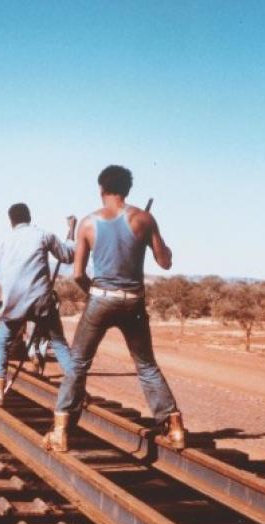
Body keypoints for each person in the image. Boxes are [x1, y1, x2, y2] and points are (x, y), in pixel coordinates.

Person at [46, 165, 185, 452]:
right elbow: (165, 262)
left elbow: (78, 274)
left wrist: (95, 295)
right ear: (127, 190)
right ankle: (174, 427)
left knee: (78, 365)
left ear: (101, 189)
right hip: (133, 301)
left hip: (100, 298)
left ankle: (60, 432)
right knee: (146, 365)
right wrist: (154, 238)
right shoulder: (144, 219)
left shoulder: (87, 223)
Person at [0, 203, 77, 406]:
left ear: (11, 221)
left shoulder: (4, 243)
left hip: (13, 303)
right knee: (59, 344)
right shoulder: (43, 235)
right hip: (40, 301)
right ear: (29, 217)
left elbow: (4, 268)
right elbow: (68, 255)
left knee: (0, 343)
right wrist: (71, 231)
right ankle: (76, 389)